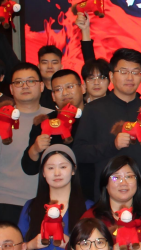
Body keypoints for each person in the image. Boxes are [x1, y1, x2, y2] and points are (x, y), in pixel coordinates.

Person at [73, 48, 141, 213]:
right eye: (123, 71)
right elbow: (80, 153)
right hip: (108, 200)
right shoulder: (93, 110)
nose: (130, 77)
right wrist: (112, 145)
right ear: (111, 75)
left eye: (135, 72)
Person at [0, 63, 51, 223]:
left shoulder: (53, 118)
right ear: (11, 89)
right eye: (18, 82)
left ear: (41, 86)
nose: (25, 86)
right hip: (8, 203)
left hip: (49, 203)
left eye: (31, 81)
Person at [20, 68, 94, 199]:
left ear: (83, 88)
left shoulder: (96, 118)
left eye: (70, 87)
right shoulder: (45, 122)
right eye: (58, 89)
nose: (65, 93)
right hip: (54, 198)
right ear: (53, 96)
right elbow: (29, 169)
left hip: (92, 195)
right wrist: (35, 149)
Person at [18, 145, 91, 250]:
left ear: (73, 170)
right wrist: (31, 245)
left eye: (63, 167)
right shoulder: (30, 207)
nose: (57, 173)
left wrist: (71, 245)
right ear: (43, 172)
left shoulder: (89, 208)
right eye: (50, 168)